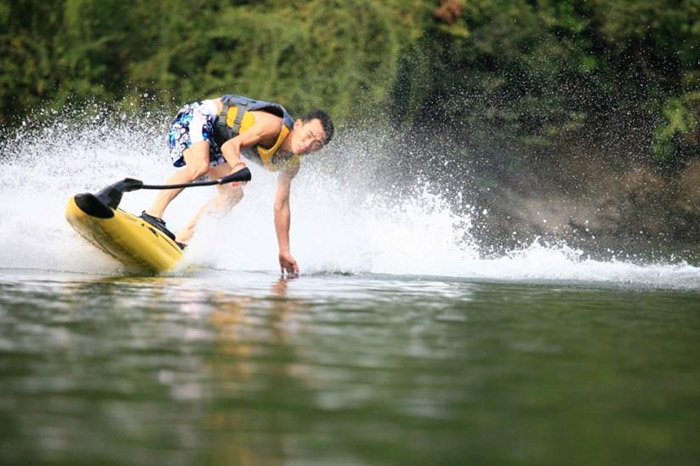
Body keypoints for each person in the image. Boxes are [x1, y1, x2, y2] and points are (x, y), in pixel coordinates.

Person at [141, 95, 334, 275]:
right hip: (201, 116)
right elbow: (230, 147)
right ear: (298, 124)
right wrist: (238, 165)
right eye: (308, 135)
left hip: (217, 138)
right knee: (200, 165)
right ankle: (152, 215)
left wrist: (284, 251)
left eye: (317, 144)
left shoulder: (291, 165)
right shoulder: (273, 126)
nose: (308, 144)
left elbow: (281, 206)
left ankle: (182, 240)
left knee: (233, 195)